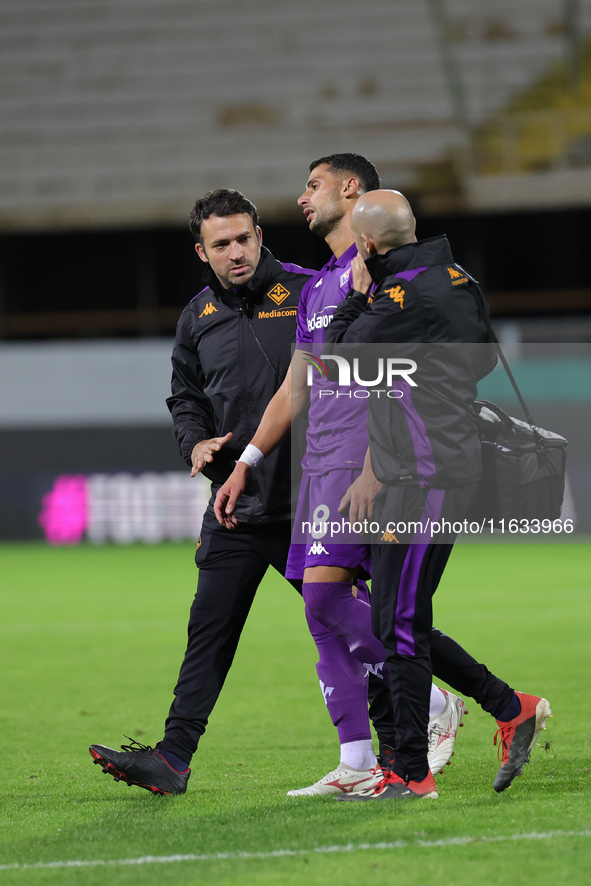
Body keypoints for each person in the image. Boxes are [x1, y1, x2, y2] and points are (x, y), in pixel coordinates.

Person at [216, 155, 546, 798]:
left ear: (351, 192)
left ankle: (430, 722)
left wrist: (374, 466)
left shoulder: (394, 283)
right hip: (323, 466)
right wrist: (249, 460)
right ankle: (376, 752)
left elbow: (395, 383)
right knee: (339, 608)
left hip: (373, 468)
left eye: (313, 185)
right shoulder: (320, 285)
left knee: (354, 604)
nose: (302, 197)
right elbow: (303, 381)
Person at [324, 188, 552, 801]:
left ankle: (408, 771)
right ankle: (512, 707)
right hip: (430, 469)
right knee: (395, 617)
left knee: (397, 622)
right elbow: (480, 363)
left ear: (367, 244)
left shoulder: (398, 294)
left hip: (424, 476)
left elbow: (336, 359)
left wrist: (356, 292)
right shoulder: (456, 277)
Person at [88, 188, 318, 795]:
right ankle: (173, 757)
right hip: (236, 507)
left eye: (245, 238)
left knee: (361, 622)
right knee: (208, 630)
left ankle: (451, 701)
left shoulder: (307, 292)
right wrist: (193, 446)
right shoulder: (197, 317)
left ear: (260, 236)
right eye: (222, 244)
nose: (236, 252)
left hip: (308, 501)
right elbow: (185, 398)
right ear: (202, 251)